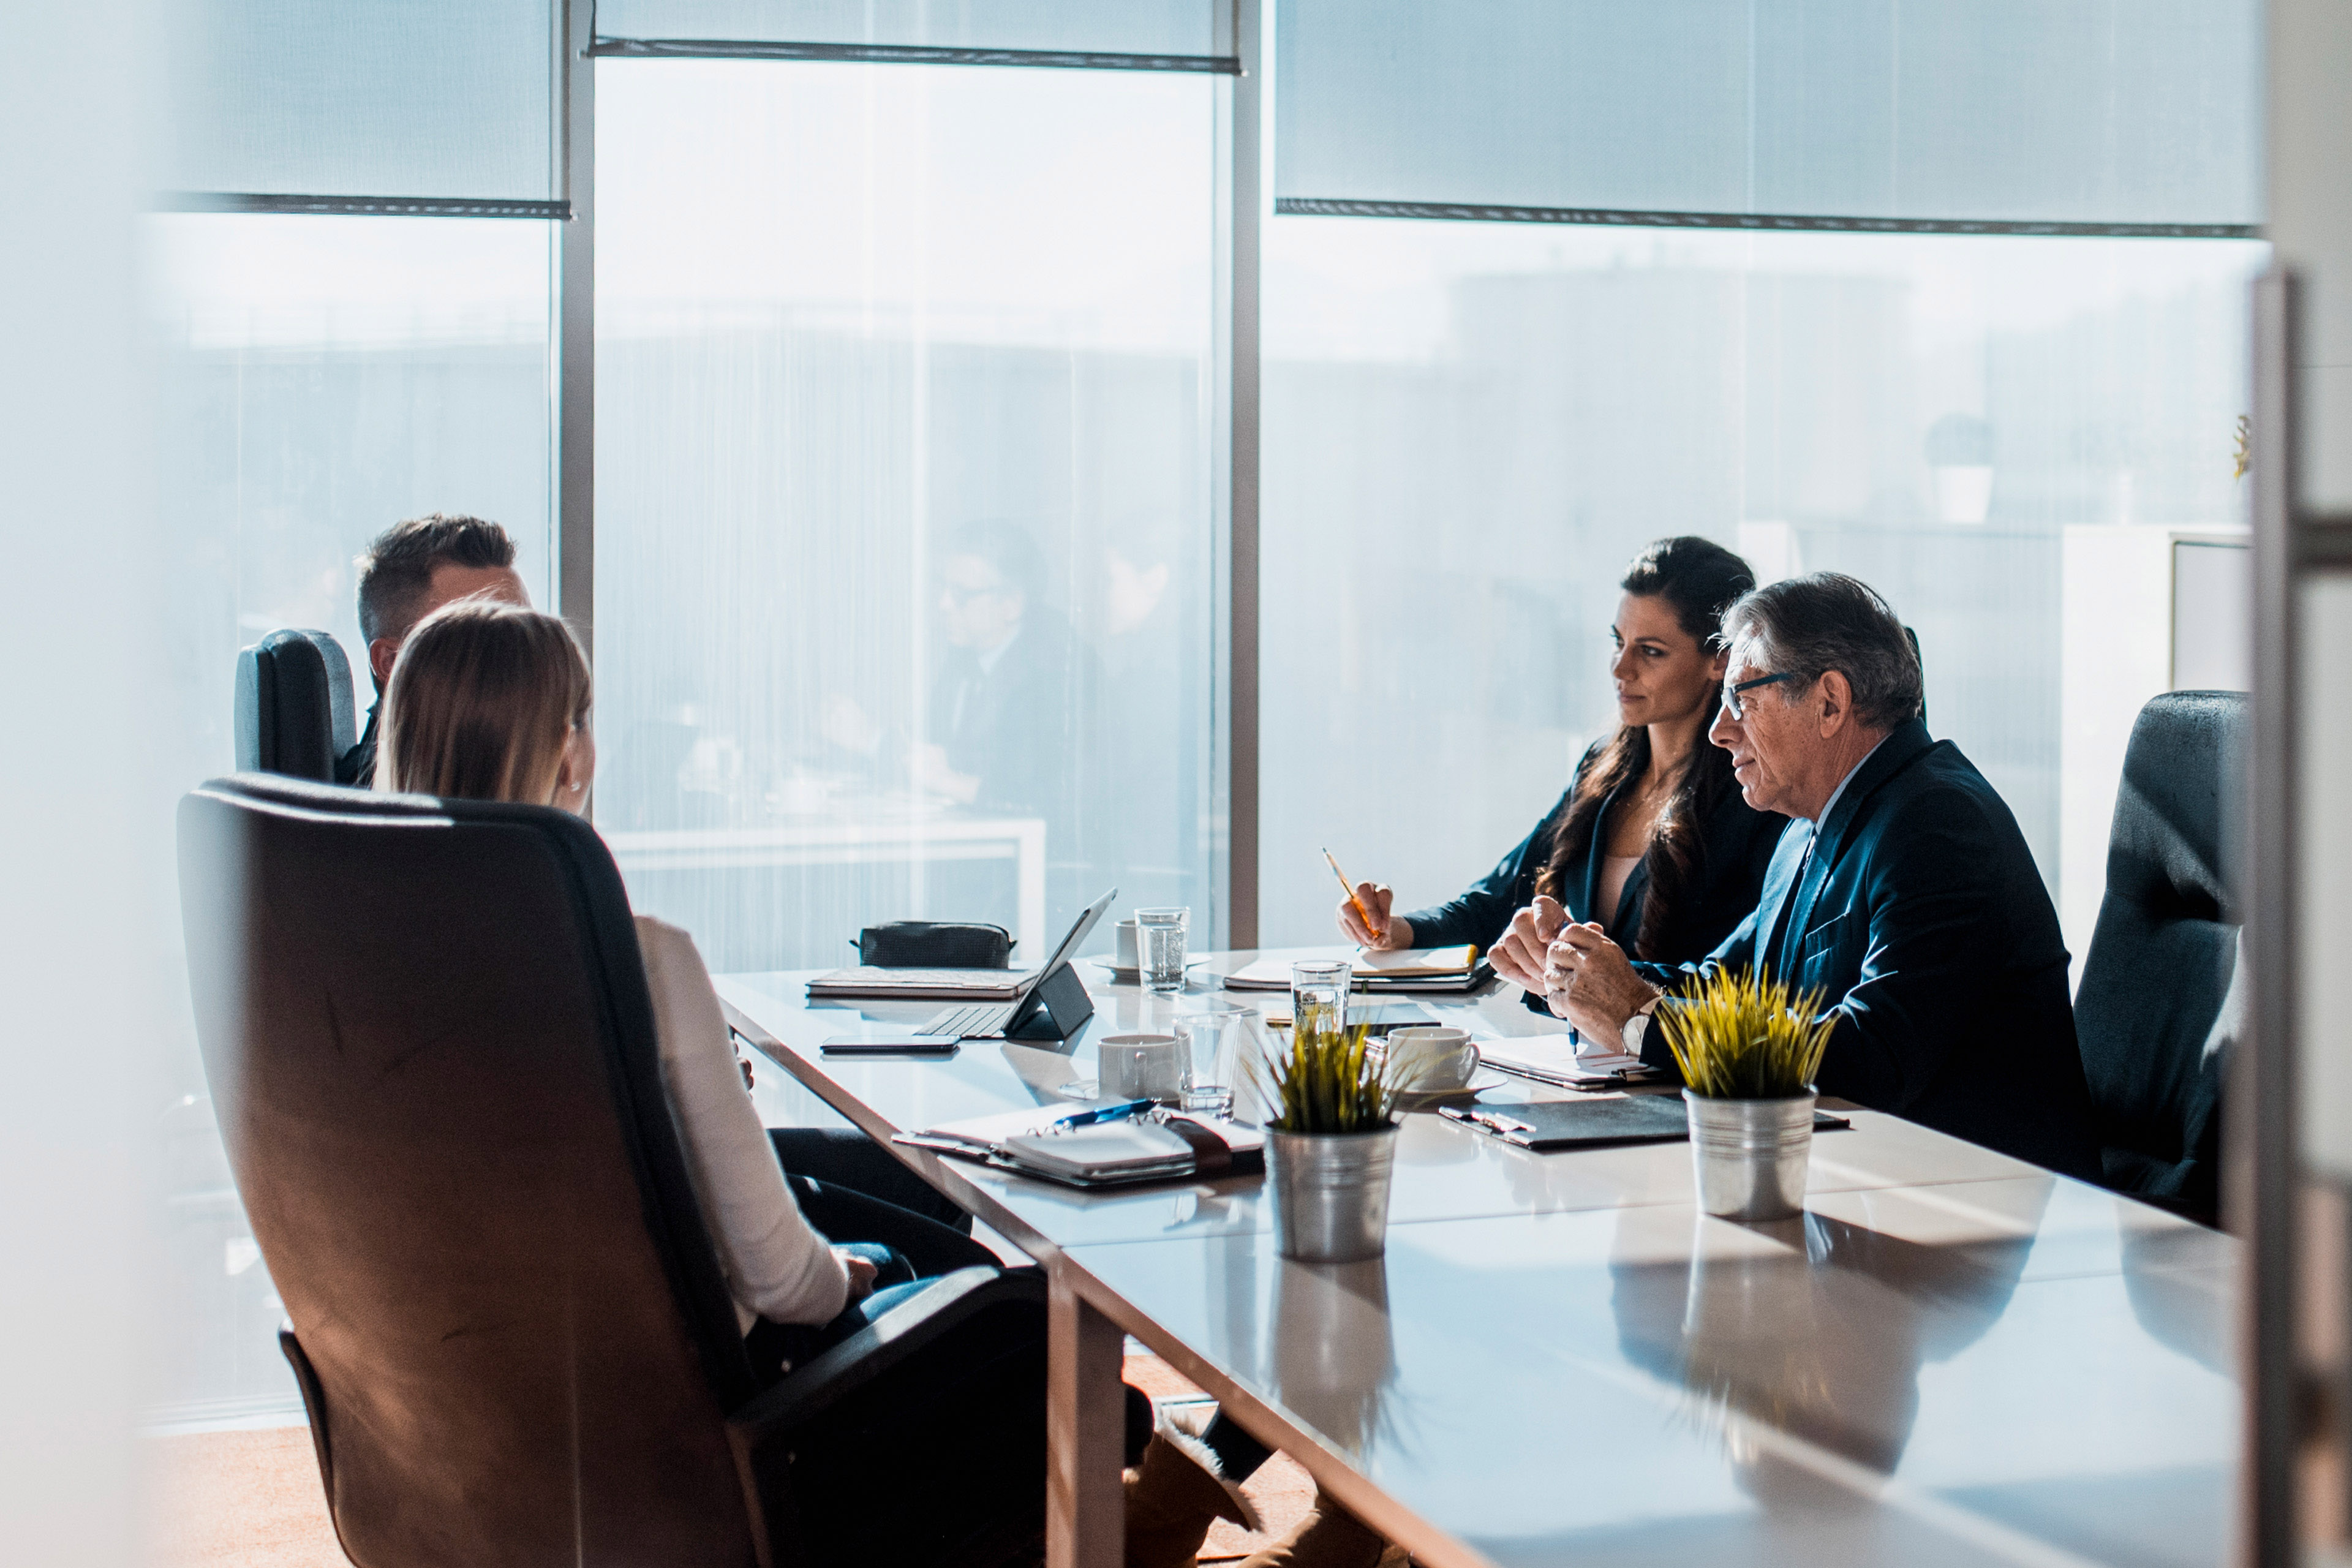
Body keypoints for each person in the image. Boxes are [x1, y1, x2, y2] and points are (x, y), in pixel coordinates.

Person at [377, 601, 1299, 1561]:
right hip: (725, 1420)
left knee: (923, 1259)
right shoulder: (637, 960)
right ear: (572, 753)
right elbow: (786, 1281)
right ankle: (1135, 1527)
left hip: (501, 1412)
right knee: (1018, 1326)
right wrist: (842, 1273)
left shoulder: (362, 963)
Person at [1533, 572, 2101, 1178]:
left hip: (1980, 1211)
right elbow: (1724, 986)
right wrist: (1576, 973)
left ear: (1830, 702)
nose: (1719, 731)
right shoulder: (1808, 826)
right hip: (1868, 1188)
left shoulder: (1937, 825)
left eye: (1741, 699)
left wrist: (1642, 1019)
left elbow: (1873, 1055)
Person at [1339, 537, 1782, 1006]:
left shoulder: (1753, 793)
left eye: (1650, 651)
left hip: (1673, 1065)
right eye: (1618, 641)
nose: (1620, 667)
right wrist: (1396, 931)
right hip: (1573, 1059)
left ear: (1720, 659)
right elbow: (1499, 899)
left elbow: (1743, 973)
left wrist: (1589, 978)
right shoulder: (1601, 771)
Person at [337, 513, 530, 788]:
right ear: (391, 662)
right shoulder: (361, 820)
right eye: (486, 642)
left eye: (529, 635)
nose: (527, 661)